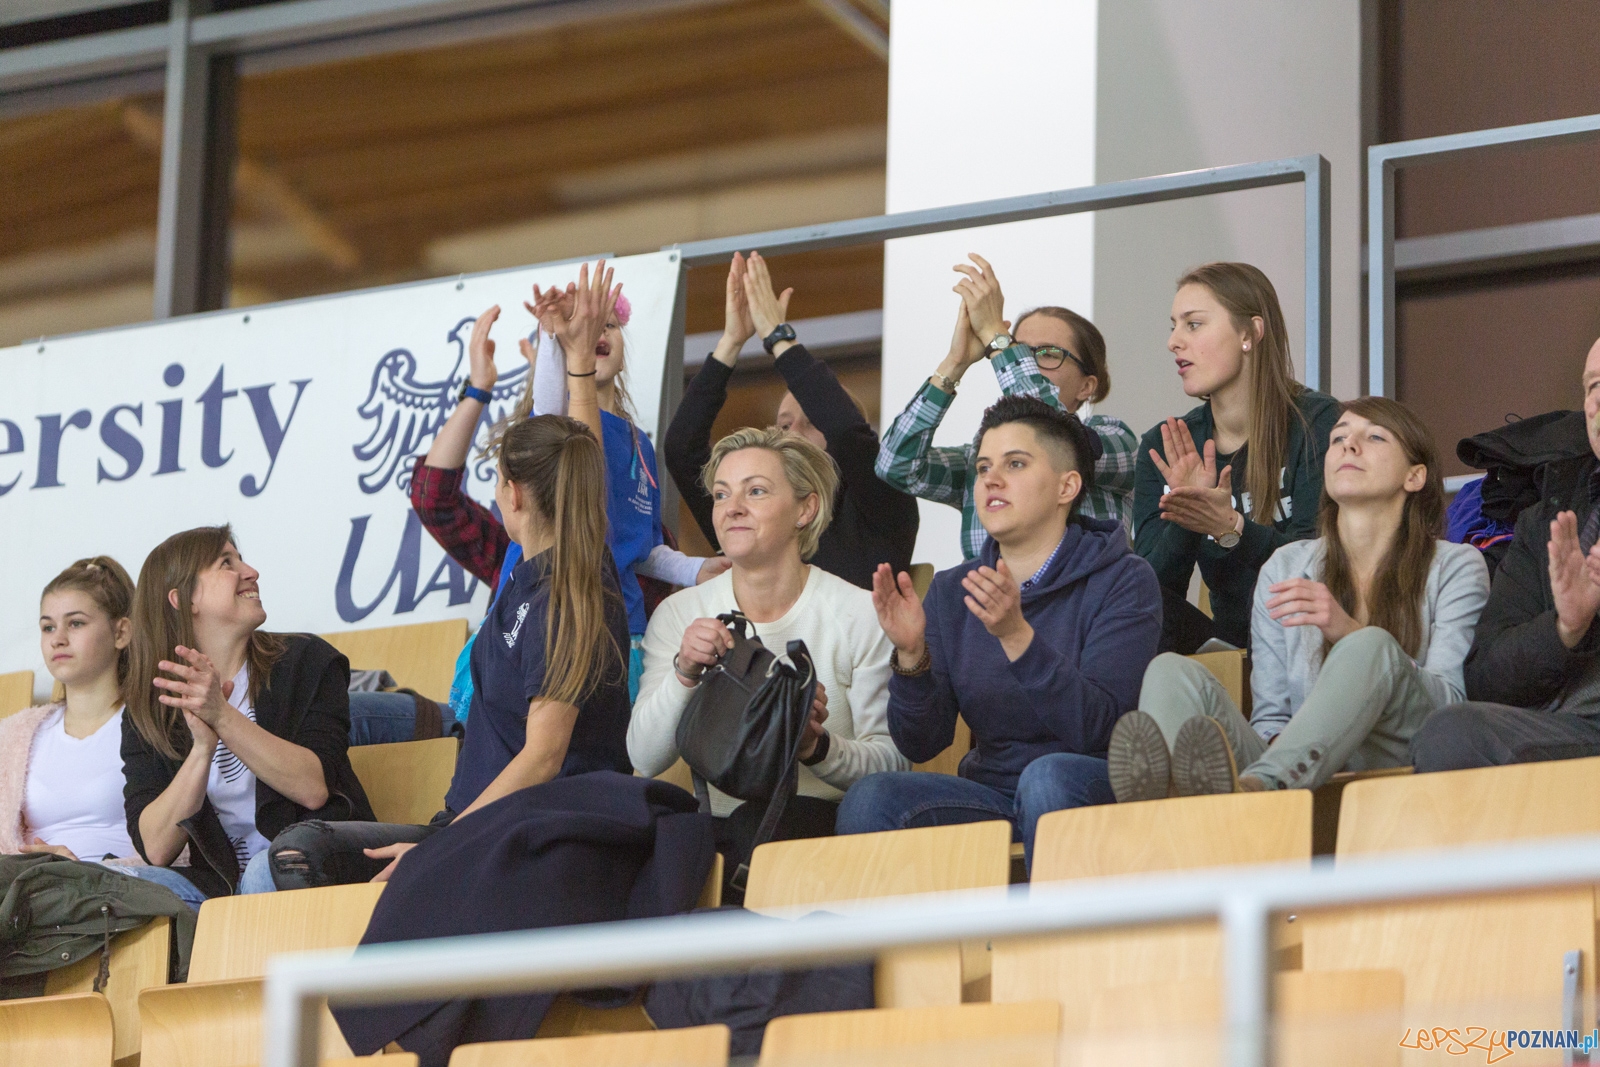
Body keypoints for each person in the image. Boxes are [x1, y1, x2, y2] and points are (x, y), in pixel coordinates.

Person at [269, 415, 634, 888]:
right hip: (476, 825)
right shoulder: (532, 575)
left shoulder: (569, 592)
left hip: (525, 830)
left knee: (302, 855)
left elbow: (543, 756)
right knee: (298, 851)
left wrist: (442, 848)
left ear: (514, 493)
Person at [837, 397, 1162, 868]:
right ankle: (910, 945)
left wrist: (1016, 636)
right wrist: (911, 658)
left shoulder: (1123, 579)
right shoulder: (953, 590)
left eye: (1015, 464)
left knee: (1047, 778)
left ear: (1066, 486)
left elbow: (1099, 728)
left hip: (1092, 781)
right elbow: (922, 743)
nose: (991, 479)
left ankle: (1054, 940)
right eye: (984, 466)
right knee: (872, 799)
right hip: (992, 794)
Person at [1110, 398, 1490, 798]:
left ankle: (1261, 796)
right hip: (1298, 768)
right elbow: (1271, 718)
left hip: (1397, 764)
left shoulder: (1457, 566)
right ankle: (1166, 816)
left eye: (1373, 437)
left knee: (1369, 644)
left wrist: (1349, 631)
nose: (1348, 446)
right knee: (1170, 672)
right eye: (1339, 438)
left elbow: (1450, 707)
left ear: (1415, 476)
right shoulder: (1286, 564)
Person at [425, 260, 722, 708]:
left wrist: (694, 569)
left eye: (611, 324)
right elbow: (551, 414)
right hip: (541, 622)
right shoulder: (554, 424)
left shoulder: (640, 443)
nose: (598, 332)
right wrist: (551, 334)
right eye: (584, 327)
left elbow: (638, 548)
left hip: (620, 627)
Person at [630, 427, 907, 893]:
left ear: (806, 508)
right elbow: (644, 756)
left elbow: (892, 767)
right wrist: (684, 673)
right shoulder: (678, 614)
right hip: (711, 831)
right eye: (721, 494)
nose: (732, 507)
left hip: (826, 832)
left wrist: (816, 748)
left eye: (755, 491)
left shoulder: (858, 613)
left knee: (760, 829)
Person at [121, 527, 375, 899]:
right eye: (227, 563)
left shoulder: (306, 661)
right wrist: (201, 751)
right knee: (123, 887)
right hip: (225, 884)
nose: (250, 571)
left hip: (323, 855)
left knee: (264, 868)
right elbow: (156, 848)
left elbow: (313, 788)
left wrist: (222, 716)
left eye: (240, 559)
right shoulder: (154, 706)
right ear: (185, 598)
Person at [665, 252, 918, 589]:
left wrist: (777, 337)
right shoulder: (751, 510)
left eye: (813, 422)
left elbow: (846, 431)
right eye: (783, 425)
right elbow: (682, 449)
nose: (793, 433)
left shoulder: (881, 500)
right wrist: (731, 343)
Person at [1411, 337, 1600, 772]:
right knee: (1450, 734)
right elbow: (1485, 677)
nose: (1598, 400)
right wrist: (1565, 629)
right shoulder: (1549, 521)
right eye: (1592, 386)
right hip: (1572, 731)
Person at [1134, 262, 1342, 654]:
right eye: (1173, 326)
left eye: (1193, 324)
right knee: (1136, 605)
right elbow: (1152, 597)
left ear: (1250, 333)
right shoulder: (1166, 446)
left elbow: (1317, 566)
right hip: (1230, 646)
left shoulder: (1317, 422)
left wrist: (1232, 528)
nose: (1174, 342)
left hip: (1308, 638)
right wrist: (1188, 519)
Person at [876, 254, 1137, 558]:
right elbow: (895, 464)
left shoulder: (1115, 438)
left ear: (1087, 386)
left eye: (1048, 354)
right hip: (989, 601)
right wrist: (954, 364)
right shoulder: (983, 459)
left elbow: (1051, 432)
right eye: (1021, 351)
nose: (1029, 363)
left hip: (1084, 603)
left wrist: (998, 340)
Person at [0, 557, 209, 910]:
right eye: (48, 627)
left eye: (76, 623)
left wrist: (79, 871)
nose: (58, 639)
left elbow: (174, 847)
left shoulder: (157, 723)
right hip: (31, 900)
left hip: (126, 891)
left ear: (121, 632)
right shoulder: (15, 736)